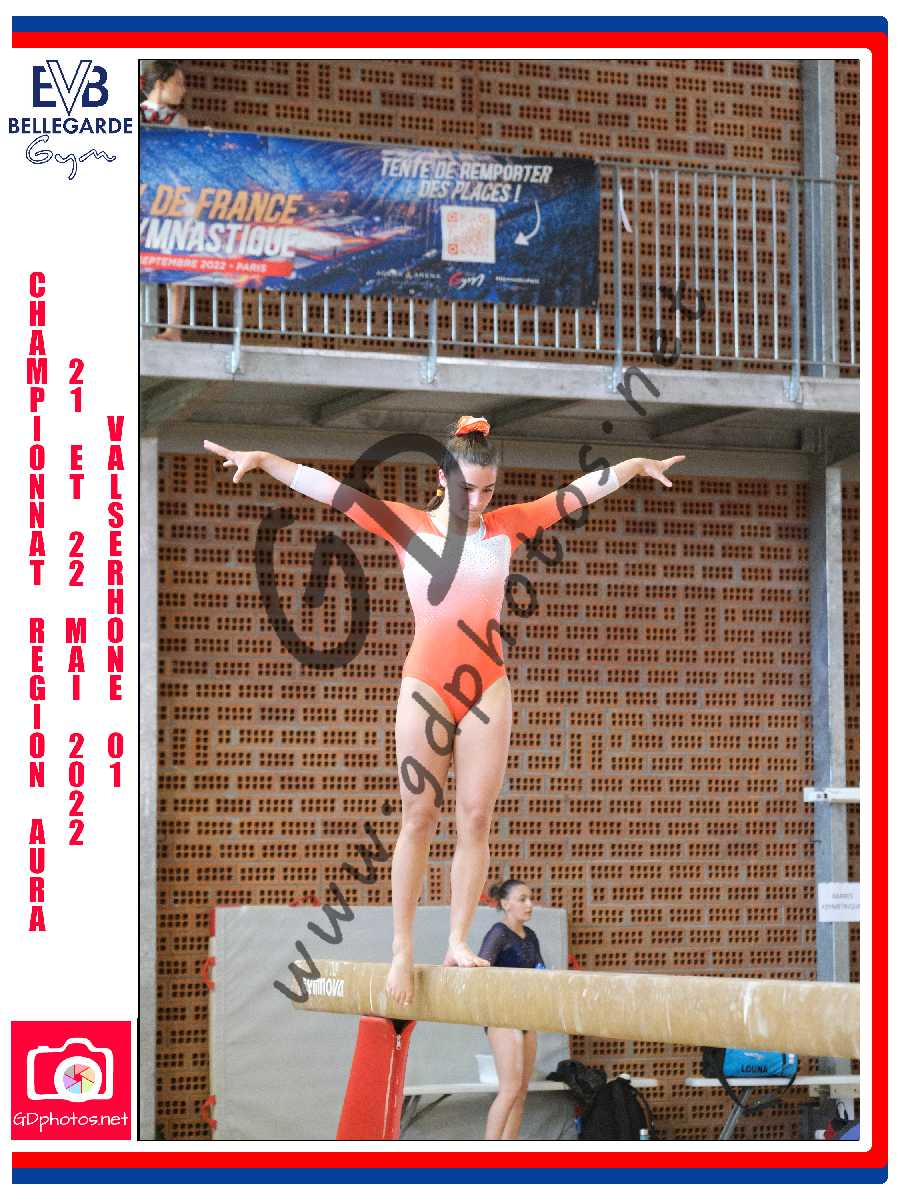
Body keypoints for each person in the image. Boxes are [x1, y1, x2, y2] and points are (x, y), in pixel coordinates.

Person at [203, 420, 685, 1006]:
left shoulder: (507, 527)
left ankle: (457, 940)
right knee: (418, 817)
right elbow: (329, 490)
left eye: (488, 490)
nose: (478, 502)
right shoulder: (406, 525)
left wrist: (632, 467)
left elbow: (577, 493)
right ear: (442, 478)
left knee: (476, 817)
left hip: (488, 685)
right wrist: (263, 457)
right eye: (467, 489)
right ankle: (402, 947)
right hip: (427, 683)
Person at [478, 879, 545, 1140]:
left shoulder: (532, 936)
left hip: (527, 1016)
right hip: (502, 1016)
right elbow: (481, 970)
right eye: (522, 899)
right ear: (506, 904)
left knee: (521, 1093)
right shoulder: (499, 933)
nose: (529, 904)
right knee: (509, 1090)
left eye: (530, 898)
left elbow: (541, 972)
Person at [140, 60, 188, 341]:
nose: (183, 89)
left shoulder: (179, 121)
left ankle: (174, 327)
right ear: (160, 84)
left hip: (166, 198)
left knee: (174, 257)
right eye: (178, 83)